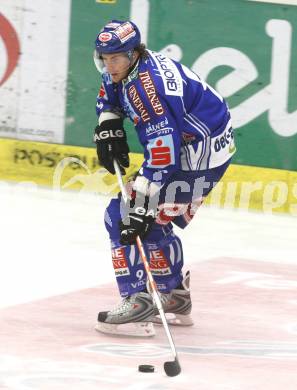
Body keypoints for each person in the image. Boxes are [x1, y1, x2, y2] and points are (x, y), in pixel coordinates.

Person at [93, 20, 236, 337]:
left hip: (200, 154)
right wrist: (108, 124)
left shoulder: (149, 90)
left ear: (133, 53)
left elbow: (163, 154)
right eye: (104, 57)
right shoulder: (126, 66)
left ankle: (137, 301)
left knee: (123, 214)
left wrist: (142, 198)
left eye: (115, 57)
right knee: (147, 217)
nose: (109, 64)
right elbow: (109, 93)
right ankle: (173, 296)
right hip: (198, 144)